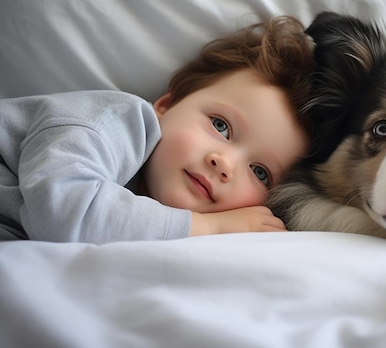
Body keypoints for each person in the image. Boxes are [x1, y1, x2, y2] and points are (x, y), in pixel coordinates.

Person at [0, 16, 314, 243]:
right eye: (221, 126)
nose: (225, 164)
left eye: (260, 172)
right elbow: (63, 214)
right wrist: (208, 227)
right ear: (165, 107)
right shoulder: (117, 121)